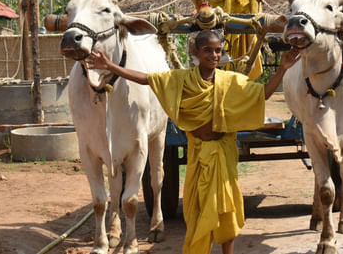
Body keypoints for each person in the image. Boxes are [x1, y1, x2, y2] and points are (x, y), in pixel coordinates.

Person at [86, 30, 300, 254]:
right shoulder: (181, 80)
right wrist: (111, 67)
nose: (214, 55)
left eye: (218, 50)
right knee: (197, 212)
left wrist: (283, 68)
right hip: (198, 155)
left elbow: (262, 94)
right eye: (207, 50)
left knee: (227, 211)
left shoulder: (231, 81)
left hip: (223, 156)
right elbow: (147, 79)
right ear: (195, 52)